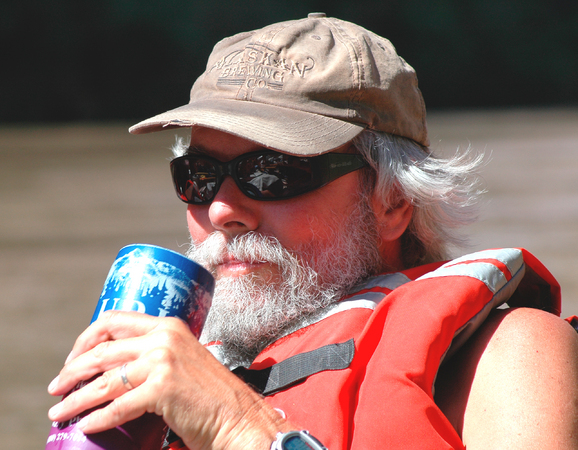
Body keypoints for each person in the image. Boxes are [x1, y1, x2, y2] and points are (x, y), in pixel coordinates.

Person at [47, 13, 578, 450]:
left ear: (393, 202)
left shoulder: (511, 353)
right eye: (200, 177)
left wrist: (242, 431)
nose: (222, 211)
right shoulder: (170, 380)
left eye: (271, 174)